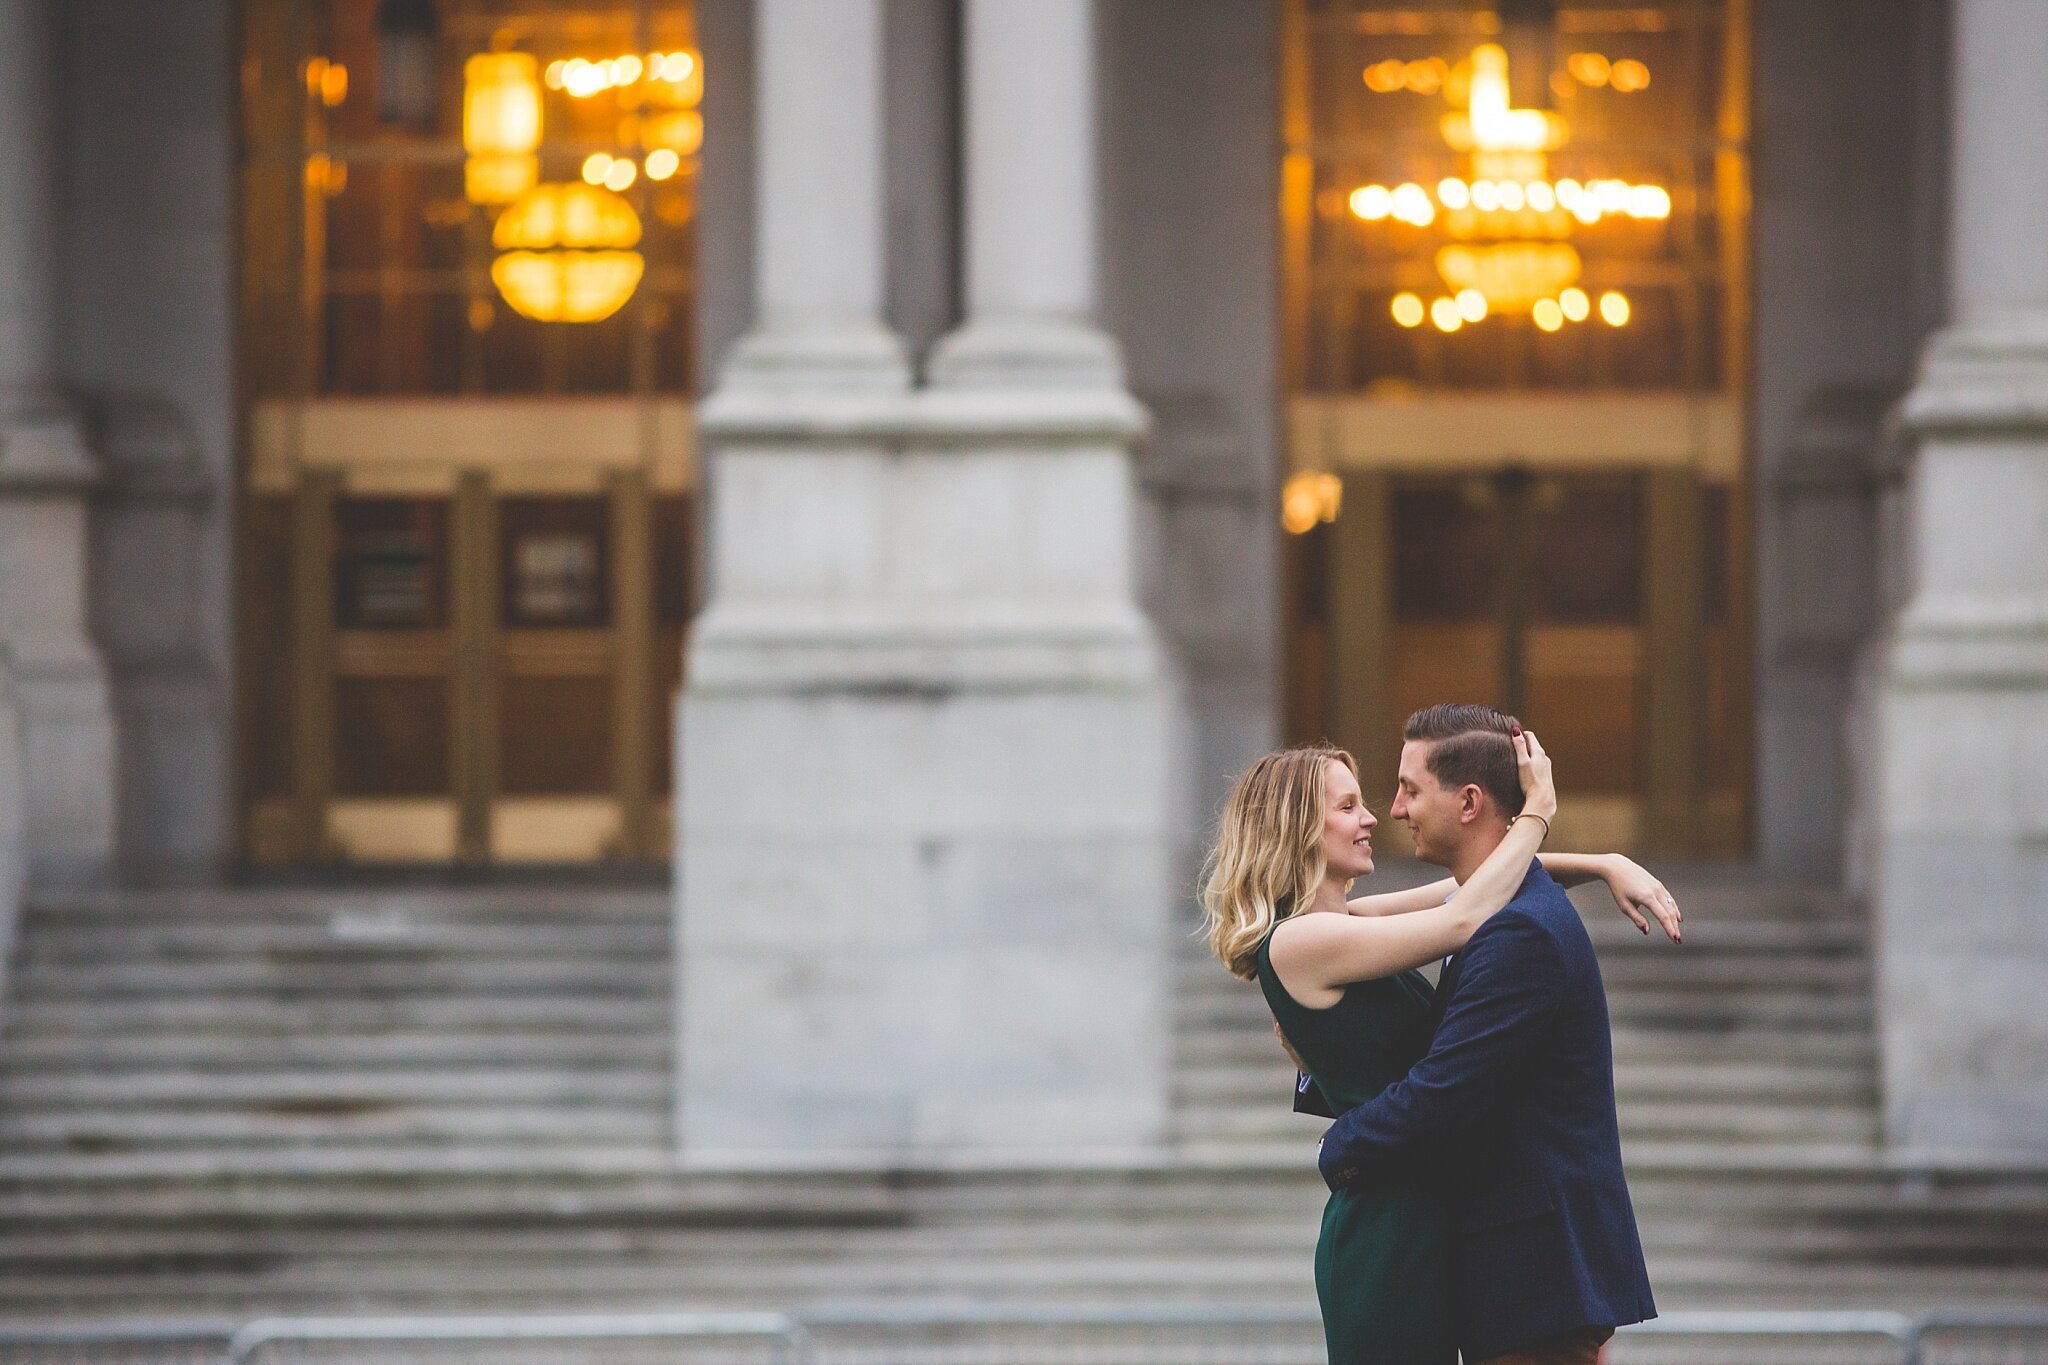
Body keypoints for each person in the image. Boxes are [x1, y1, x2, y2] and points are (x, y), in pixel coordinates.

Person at [1200, 718, 1679, 1365]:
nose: (1377, 816)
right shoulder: (1300, 940)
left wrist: (1601, 861)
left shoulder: (1344, 921)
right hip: (1386, 1223)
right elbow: (1465, 915)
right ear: (1297, 827)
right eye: (1348, 806)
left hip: (1427, 1209)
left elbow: (1474, 886)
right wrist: (1536, 810)